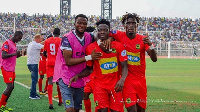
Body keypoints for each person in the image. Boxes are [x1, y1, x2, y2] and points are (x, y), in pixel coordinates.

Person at [69, 19, 128, 112]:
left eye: (105, 30)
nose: (102, 32)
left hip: (115, 86)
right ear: (97, 31)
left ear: (109, 31)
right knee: (102, 110)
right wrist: (78, 76)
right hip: (99, 87)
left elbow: (124, 66)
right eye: (100, 30)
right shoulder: (91, 48)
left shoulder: (118, 46)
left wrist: (122, 80)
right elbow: (89, 69)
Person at [108, 13, 157, 112]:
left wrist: (150, 45)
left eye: (133, 23)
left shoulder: (143, 39)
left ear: (137, 25)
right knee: (131, 109)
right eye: (128, 23)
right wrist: (109, 38)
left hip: (141, 81)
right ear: (124, 25)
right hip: (127, 80)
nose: (131, 25)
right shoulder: (118, 35)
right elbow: (102, 33)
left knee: (141, 110)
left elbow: (154, 59)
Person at [53, 14, 102, 112]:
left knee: (76, 109)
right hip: (66, 77)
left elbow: (101, 35)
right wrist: (89, 57)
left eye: (84, 23)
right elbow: (68, 61)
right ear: (74, 23)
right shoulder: (67, 38)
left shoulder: (89, 36)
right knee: (70, 109)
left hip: (80, 78)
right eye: (79, 23)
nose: (82, 25)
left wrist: (106, 40)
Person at [0, 31, 23, 111]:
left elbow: (12, 55)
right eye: (19, 38)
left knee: (11, 87)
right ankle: (1, 106)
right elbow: (3, 55)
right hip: (6, 68)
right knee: (9, 86)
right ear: (15, 35)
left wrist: (17, 55)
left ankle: (4, 105)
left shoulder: (14, 44)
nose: (19, 40)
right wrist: (14, 54)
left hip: (11, 68)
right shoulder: (7, 43)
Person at [44, 28, 62, 109]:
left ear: (53, 33)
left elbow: (44, 53)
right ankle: (60, 100)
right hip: (58, 63)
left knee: (50, 82)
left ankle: (50, 103)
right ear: (59, 33)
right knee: (58, 82)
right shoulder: (61, 40)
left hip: (49, 62)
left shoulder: (47, 41)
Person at [27, 34, 44, 100]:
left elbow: (41, 44)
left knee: (34, 79)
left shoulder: (31, 43)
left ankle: (34, 93)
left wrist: (45, 41)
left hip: (30, 63)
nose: (41, 40)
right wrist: (50, 41)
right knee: (34, 80)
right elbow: (44, 47)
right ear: (37, 39)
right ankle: (32, 95)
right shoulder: (36, 45)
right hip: (34, 63)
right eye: (40, 39)